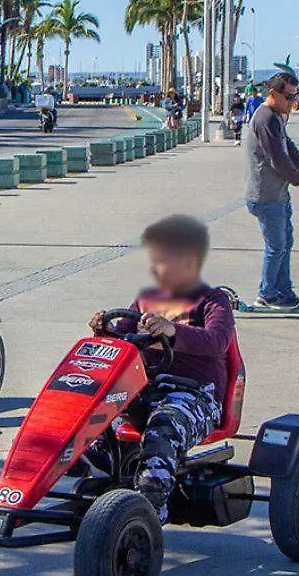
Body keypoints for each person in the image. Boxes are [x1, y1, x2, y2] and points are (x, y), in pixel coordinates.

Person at [84, 215, 234, 524]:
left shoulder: (213, 300)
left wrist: (172, 331)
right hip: (146, 391)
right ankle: (96, 484)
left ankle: (150, 509)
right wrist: (105, 331)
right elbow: (124, 340)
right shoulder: (146, 300)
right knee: (87, 412)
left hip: (194, 395)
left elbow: (218, 342)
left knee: (163, 427)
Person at [245, 72, 299, 308]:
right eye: (288, 97)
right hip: (265, 196)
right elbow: (277, 159)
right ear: (273, 94)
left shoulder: (277, 117)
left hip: (278, 194)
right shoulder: (265, 119)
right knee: (276, 247)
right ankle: (266, 294)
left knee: (285, 244)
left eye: (295, 98)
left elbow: (287, 147)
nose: (292, 103)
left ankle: (284, 292)